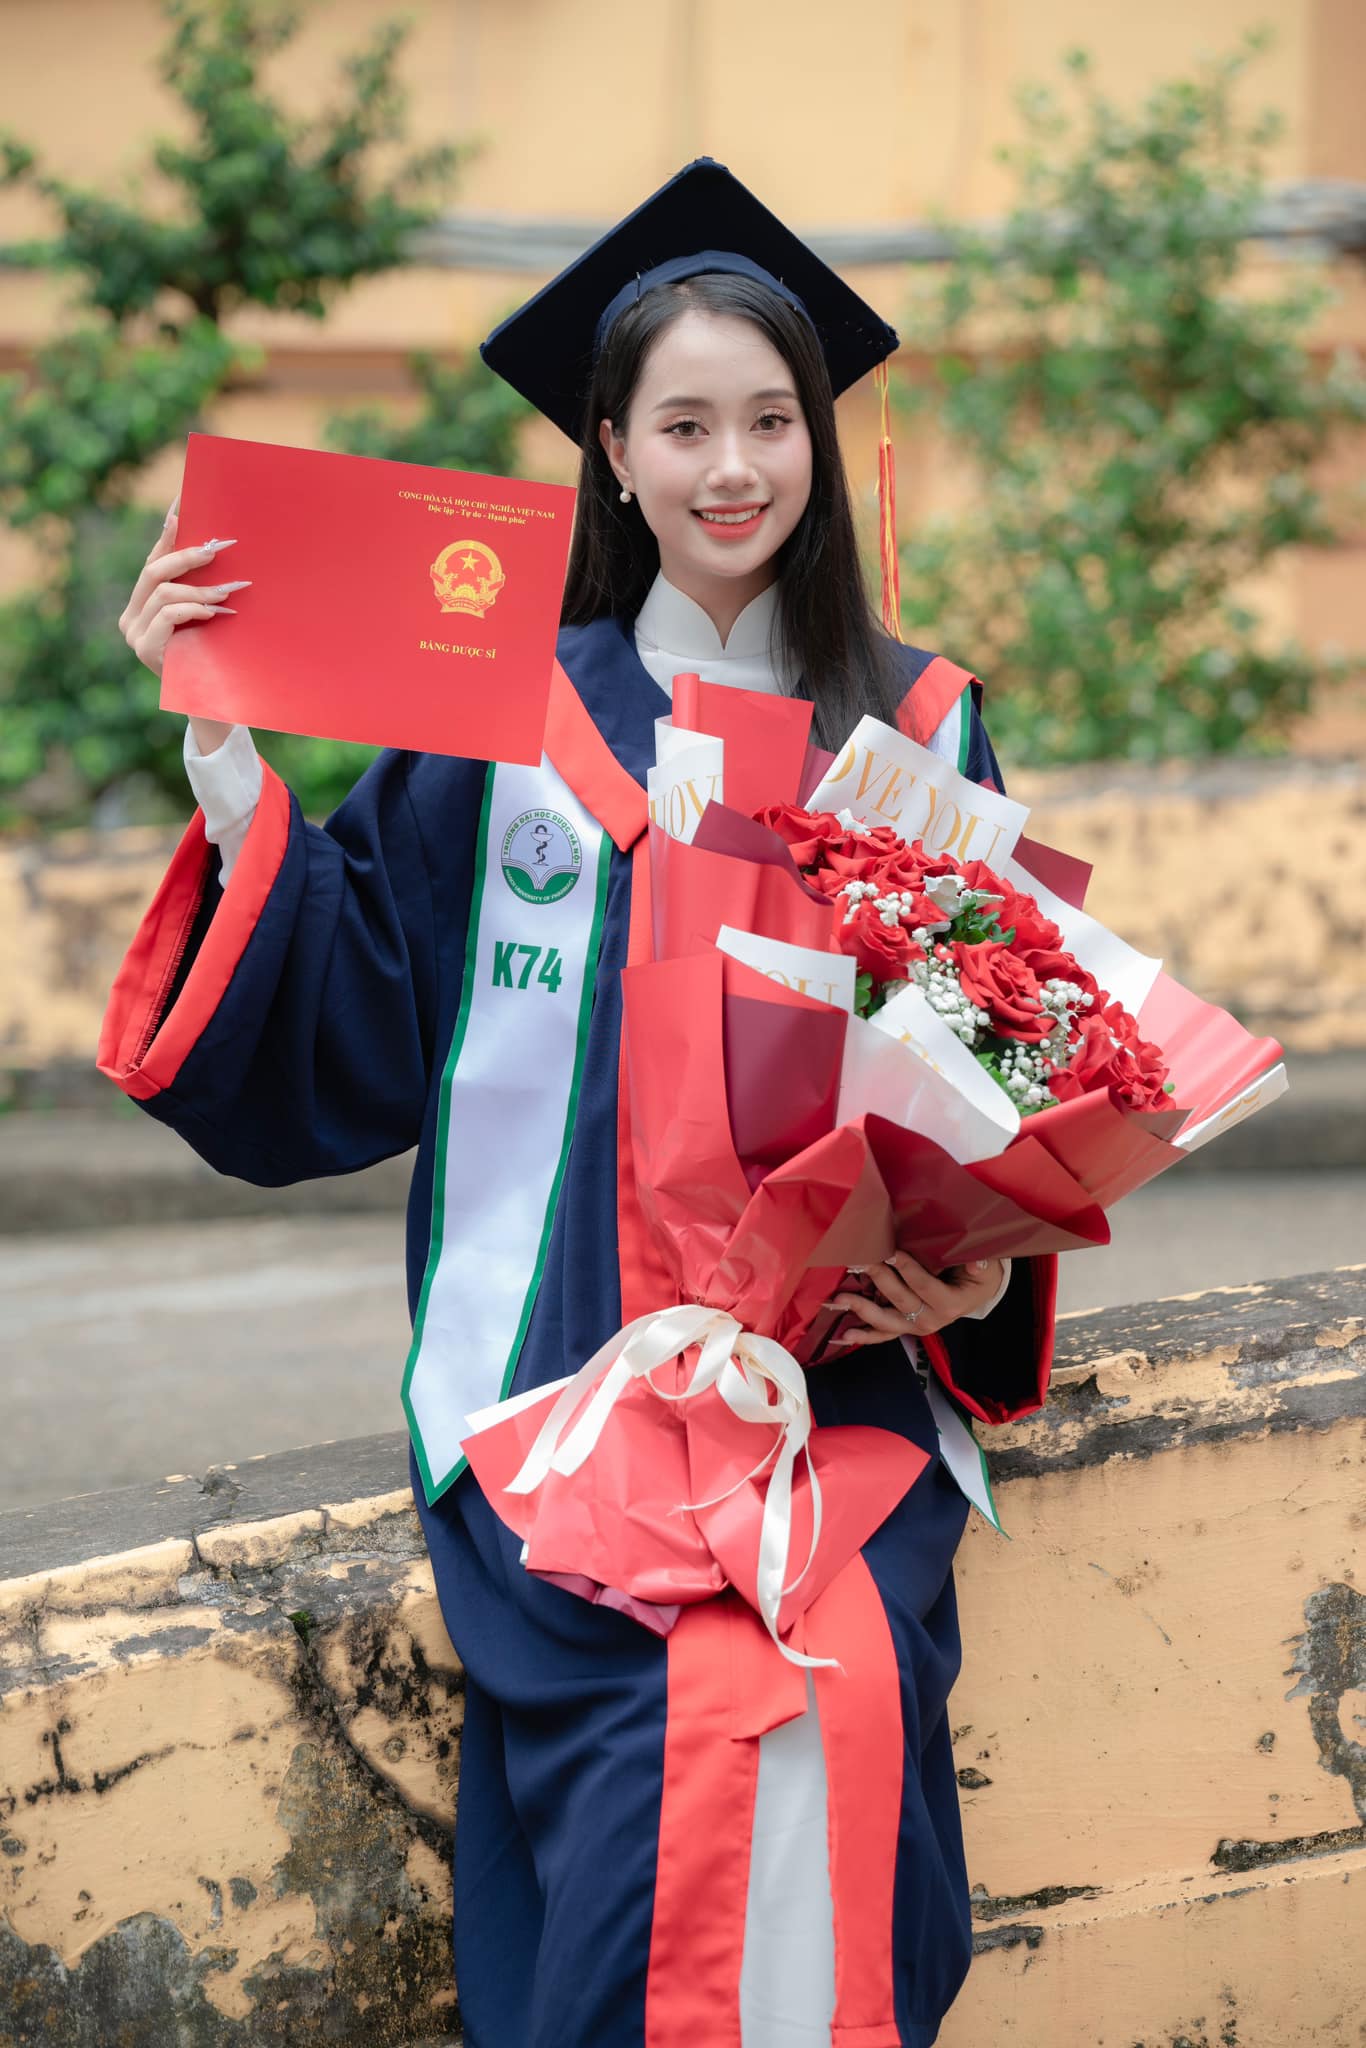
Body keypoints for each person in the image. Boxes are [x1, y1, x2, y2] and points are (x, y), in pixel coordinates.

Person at [102, 159, 1056, 2048]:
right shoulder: (509, 715)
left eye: (769, 420)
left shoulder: (916, 726)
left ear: (815, 440)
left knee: (839, 1706)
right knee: (650, 1770)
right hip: (553, 1396)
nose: (733, 467)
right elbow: (355, 994)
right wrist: (223, 744)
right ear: (610, 453)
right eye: (683, 425)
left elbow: (1006, 1063)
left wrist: (976, 1271)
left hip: (837, 1391)